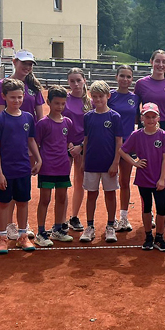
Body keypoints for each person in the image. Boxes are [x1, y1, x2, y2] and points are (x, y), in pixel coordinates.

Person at [0, 79, 41, 254]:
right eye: (12, 97)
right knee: (4, 203)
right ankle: (3, 238)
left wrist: (38, 159)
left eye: (19, 97)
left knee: (23, 202)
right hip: (5, 170)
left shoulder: (28, 117)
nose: (16, 101)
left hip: (23, 169)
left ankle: (22, 237)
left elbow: (31, 140)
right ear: (4, 96)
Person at [120, 102, 165, 252]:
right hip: (144, 179)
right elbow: (122, 151)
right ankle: (148, 236)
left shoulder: (163, 135)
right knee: (146, 207)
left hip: (159, 180)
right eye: (147, 117)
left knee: (161, 208)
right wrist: (135, 163)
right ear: (142, 118)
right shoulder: (137, 135)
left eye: (153, 117)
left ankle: (160, 237)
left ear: (158, 118)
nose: (150, 120)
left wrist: (162, 178)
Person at [79, 81, 123, 244]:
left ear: (108, 96)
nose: (98, 100)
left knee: (110, 194)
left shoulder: (114, 117)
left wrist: (115, 163)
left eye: (101, 96)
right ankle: (89, 227)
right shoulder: (88, 117)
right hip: (91, 162)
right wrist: (84, 161)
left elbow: (119, 142)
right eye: (95, 96)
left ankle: (110, 226)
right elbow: (86, 139)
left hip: (108, 163)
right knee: (91, 195)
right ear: (91, 97)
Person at [34, 86, 75, 247]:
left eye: (63, 104)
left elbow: (68, 142)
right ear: (48, 102)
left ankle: (58, 229)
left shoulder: (68, 122)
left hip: (63, 166)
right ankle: (41, 232)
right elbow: (35, 144)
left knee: (61, 198)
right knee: (45, 199)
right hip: (47, 167)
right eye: (56, 103)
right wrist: (37, 162)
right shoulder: (42, 124)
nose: (60, 107)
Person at [108, 64, 138, 233]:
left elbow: (136, 119)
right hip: (109, 144)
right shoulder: (109, 96)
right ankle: (110, 221)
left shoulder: (135, 98)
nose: (125, 79)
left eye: (128, 77)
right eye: (122, 76)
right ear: (116, 77)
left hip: (128, 145)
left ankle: (124, 217)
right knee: (110, 182)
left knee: (124, 182)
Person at [66, 68, 92, 232]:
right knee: (62, 182)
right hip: (65, 146)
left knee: (79, 182)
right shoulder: (65, 100)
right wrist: (69, 144)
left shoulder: (90, 102)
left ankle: (74, 217)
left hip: (84, 145)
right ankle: (60, 220)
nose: (76, 84)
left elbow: (92, 128)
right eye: (72, 81)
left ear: (84, 80)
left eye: (78, 80)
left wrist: (81, 146)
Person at [135, 49, 165, 133]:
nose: (161, 65)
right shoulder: (141, 83)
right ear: (151, 62)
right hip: (147, 125)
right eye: (157, 61)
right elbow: (135, 107)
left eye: (164, 62)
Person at [0, 50, 44, 121]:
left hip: (30, 129)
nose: (27, 67)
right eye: (24, 63)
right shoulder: (1, 85)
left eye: (30, 64)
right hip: (10, 128)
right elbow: (0, 113)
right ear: (14, 62)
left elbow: (40, 116)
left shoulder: (34, 85)